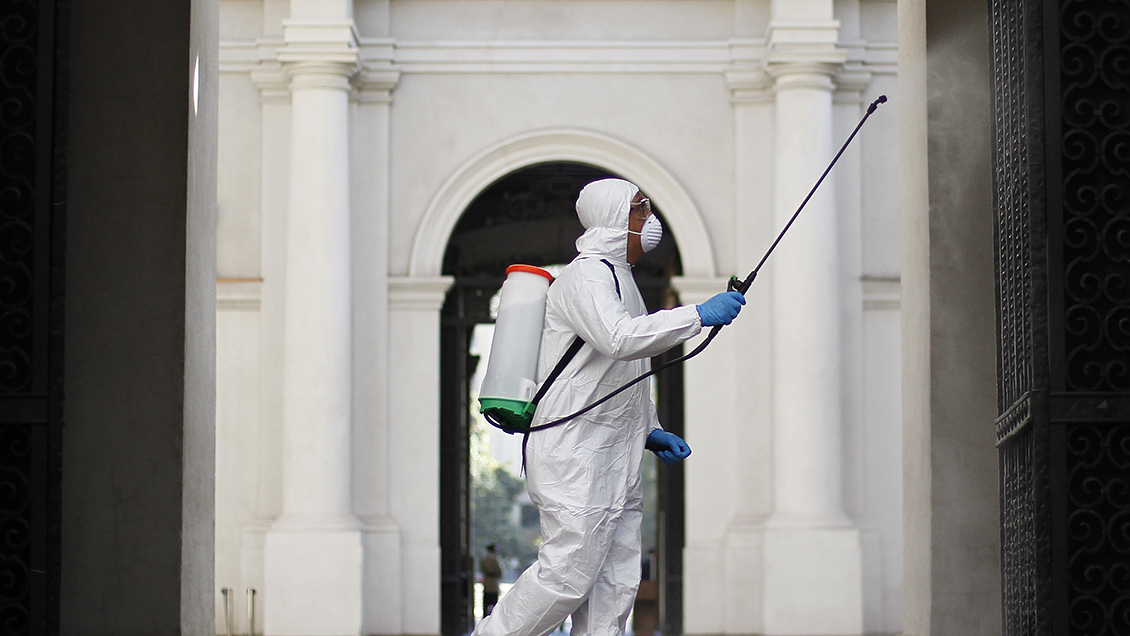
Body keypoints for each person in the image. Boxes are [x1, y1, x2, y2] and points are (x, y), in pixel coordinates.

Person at [471, 178, 744, 636]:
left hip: (615, 450)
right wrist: (697, 314)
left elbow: (620, 374)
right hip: (574, 452)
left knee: (614, 585)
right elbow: (617, 339)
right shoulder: (587, 276)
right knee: (566, 576)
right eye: (640, 208)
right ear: (614, 216)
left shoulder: (622, 280)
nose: (649, 218)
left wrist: (649, 428)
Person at [481, 543, 503, 616]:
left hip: (487, 585)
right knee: (494, 606)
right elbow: (500, 572)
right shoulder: (496, 560)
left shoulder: (484, 559)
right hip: (494, 585)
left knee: (485, 606)